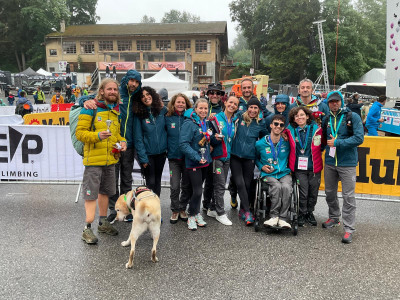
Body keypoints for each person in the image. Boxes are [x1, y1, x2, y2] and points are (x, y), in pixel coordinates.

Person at [84, 70, 142, 223]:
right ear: (126, 81)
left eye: (136, 82)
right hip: (110, 143)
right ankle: (112, 209)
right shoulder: (117, 93)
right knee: (111, 179)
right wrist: (84, 100)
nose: (134, 84)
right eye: (131, 81)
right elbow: (93, 99)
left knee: (126, 179)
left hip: (127, 143)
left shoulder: (138, 97)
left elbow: (153, 103)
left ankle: (126, 208)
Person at [75, 78, 127, 244]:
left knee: (105, 192)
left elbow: (116, 134)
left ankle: (103, 222)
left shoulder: (115, 111)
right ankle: (87, 228)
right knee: (90, 194)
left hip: (110, 160)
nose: (113, 92)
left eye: (115, 89)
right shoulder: (91, 108)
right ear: (102, 91)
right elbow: (80, 133)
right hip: (93, 162)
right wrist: (97, 136)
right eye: (109, 89)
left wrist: (123, 141)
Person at [321, 91, 364, 244]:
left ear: (341, 101)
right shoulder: (326, 119)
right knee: (330, 193)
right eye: (331, 101)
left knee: (348, 197)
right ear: (328, 103)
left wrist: (338, 143)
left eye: (336, 101)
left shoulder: (353, 117)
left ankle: (349, 228)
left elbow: (359, 138)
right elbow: (323, 141)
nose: (334, 103)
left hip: (348, 163)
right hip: (331, 162)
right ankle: (334, 217)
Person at [231, 98, 268, 226]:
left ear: (259, 110)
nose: (253, 110)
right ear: (247, 108)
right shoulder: (239, 117)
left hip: (249, 157)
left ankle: (242, 209)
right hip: (235, 156)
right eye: (251, 107)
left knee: (247, 184)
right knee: (240, 183)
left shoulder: (261, 123)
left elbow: (265, 139)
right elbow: (227, 115)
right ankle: (247, 212)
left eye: (255, 108)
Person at [287, 107, 323, 227]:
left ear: (307, 116)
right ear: (294, 119)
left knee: (313, 192)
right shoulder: (290, 131)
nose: (299, 117)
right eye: (296, 116)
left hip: (314, 167)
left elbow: (321, 146)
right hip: (299, 168)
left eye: (302, 115)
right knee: (303, 192)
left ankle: (310, 212)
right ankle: (302, 213)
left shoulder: (317, 130)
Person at [206, 96, 239, 226]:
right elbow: (207, 136)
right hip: (217, 157)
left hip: (227, 157)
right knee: (220, 185)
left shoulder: (235, 120)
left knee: (220, 183)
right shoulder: (214, 119)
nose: (232, 105)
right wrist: (213, 139)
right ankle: (221, 213)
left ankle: (212, 208)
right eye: (230, 102)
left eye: (235, 104)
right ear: (225, 103)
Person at [180, 98, 212, 230]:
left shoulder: (206, 123)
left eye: (205, 108)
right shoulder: (189, 123)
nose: (203, 111)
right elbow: (183, 144)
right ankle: (191, 215)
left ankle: (197, 212)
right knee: (198, 191)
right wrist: (196, 157)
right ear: (195, 109)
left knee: (198, 190)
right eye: (201, 108)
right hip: (194, 163)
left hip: (205, 162)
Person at [255, 114, 292, 229]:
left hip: (283, 173)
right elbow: (255, 158)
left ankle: (283, 218)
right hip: (268, 174)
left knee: (286, 187)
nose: (278, 126)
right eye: (276, 124)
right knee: (276, 186)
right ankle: (274, 216)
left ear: (283, 128)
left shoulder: (287, 142)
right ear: (271, 125)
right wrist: (261, 167)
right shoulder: (260, 143)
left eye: (281, 125)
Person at [133, 86, 167, 197]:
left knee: (157, 182)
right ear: (140, 100)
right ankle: (148, 209)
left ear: (152, 95)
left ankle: (155, 210)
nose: (146, 97)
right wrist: (143, 158)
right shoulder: (139, 115)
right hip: (148, 155)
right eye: (142, 96)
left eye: (148, 94)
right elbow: (138, 138)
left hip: (161, 154)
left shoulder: (163, 111)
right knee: (150, 183)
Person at [165, 93, 192, 224]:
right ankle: (175, 210)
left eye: (183, 102)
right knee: (175, 185)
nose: (180, 104)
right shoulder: (168, 117)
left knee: (186, 185)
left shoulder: (190, 118)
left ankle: (182, 209)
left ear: (186, 104)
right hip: (173, 158)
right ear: (173, 104)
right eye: (178, 102)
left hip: (187, 158)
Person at [202, 83, 224, 212]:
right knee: (203, 179)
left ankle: (212, 203)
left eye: (217, 93)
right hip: (203, 147)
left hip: (216, 149)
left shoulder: (223, 110)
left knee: (213, 178)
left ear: (221, 95)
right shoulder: (202, 107)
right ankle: (204, 203)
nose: (214, 95)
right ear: (208, 94)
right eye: (212, 93)